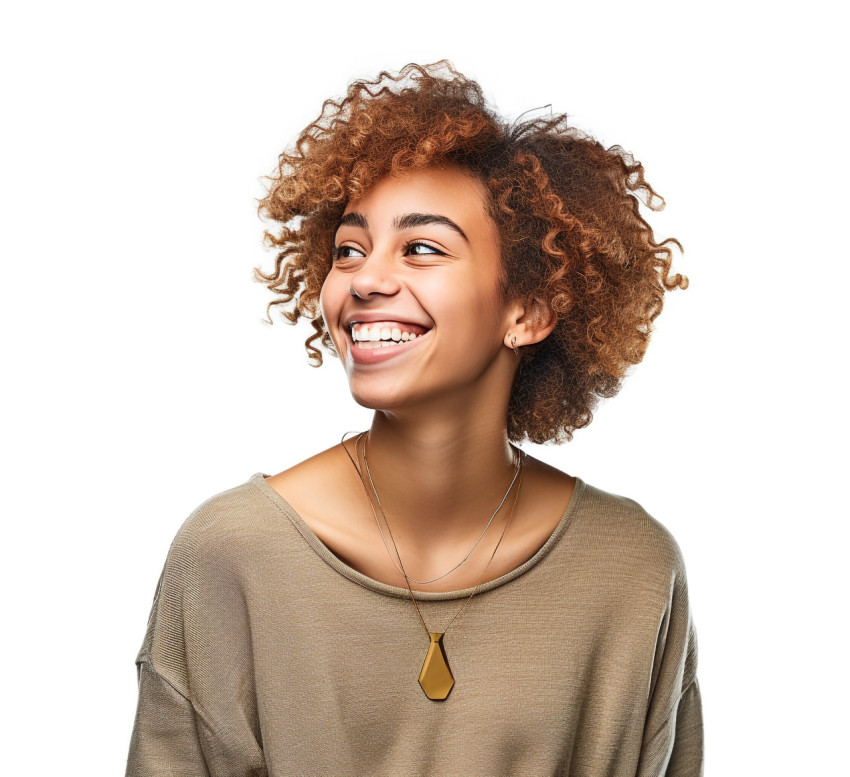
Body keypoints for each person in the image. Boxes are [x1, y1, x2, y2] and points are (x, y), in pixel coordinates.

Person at [125, 61, 703, 776]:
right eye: (349, 249)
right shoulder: (231, 555)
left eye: (422, 247)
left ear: (529, 309)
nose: (365, 280)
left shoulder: (634, 571)